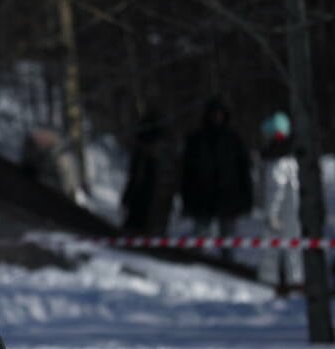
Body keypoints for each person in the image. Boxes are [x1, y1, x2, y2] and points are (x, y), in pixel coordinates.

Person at [179, 97, 253, 259]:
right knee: (200, 235)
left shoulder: (234, 140)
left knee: (228, 239)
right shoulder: (196, 139)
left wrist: (246, 199)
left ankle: (228, 263)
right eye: (214, 113)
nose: (216, 117)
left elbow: (244, 171)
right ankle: (197, 261)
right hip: (202, 196)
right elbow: (187, 172)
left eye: (219, 113)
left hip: (228, 196)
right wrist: (186, 199)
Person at [256, 111, 303, 296]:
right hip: (294, 212)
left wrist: (272, 214)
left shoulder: (278, 160)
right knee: (294, 247)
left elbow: (275, 190)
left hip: (283, 213)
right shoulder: (293, 158)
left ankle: (273, 284)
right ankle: (295, 282)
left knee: (273, 249)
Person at [120, 109, 176, 236]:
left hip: (155, 201)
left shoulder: (162, 153)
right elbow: (134, 178)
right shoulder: (141, 154)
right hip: (140, 200)